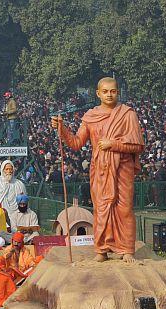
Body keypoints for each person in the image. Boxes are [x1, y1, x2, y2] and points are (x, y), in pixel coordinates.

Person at [52, 77, 145, 263]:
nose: (109, 95)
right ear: (98, 93)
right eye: (105, 91)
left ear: (118, 92)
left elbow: (137, 146)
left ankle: (127, 249)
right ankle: (102, 249)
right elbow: (77, 143)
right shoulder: (90, 116)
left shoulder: (128, 115)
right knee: (101, 208)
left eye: (113, 91)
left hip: (122, 168)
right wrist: (62, 130)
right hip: (100, 170)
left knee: (124, 209)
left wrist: (114, 144)